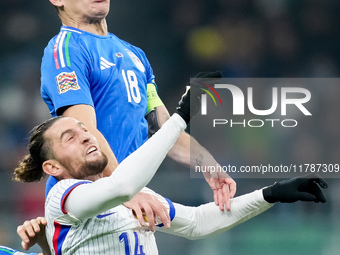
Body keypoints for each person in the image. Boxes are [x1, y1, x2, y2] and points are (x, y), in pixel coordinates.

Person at [13, 93, 327, 254]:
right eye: (69, 137)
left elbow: (199, 223)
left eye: (84, 129)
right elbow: (122, 186)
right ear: (53, 167)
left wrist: (270, 194)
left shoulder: (137, 196)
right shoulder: (64, 198)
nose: (85, 135)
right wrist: (179, 118)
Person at [40, 0, 236, 220]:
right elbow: (84, 128)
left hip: (125, 198)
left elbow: (163, 130)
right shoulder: (66, 50)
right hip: (88, 201)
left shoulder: (134, 54)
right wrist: (122, 190)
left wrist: (206, 162)